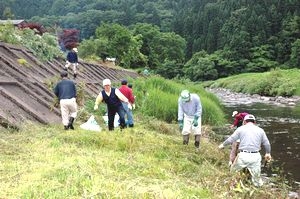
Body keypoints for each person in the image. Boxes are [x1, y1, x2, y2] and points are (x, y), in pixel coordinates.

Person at [218, 114, 272, 187]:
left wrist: (222, 145)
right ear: (254, 122)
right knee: (256, 180)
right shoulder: (260, 130)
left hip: (243, 155)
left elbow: (231, 139)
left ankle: (233, 187)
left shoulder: (241, 129)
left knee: (233, 173)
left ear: (244, 122)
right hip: (255, 156)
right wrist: (268, 153)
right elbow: (267, 143)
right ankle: (258, 190)